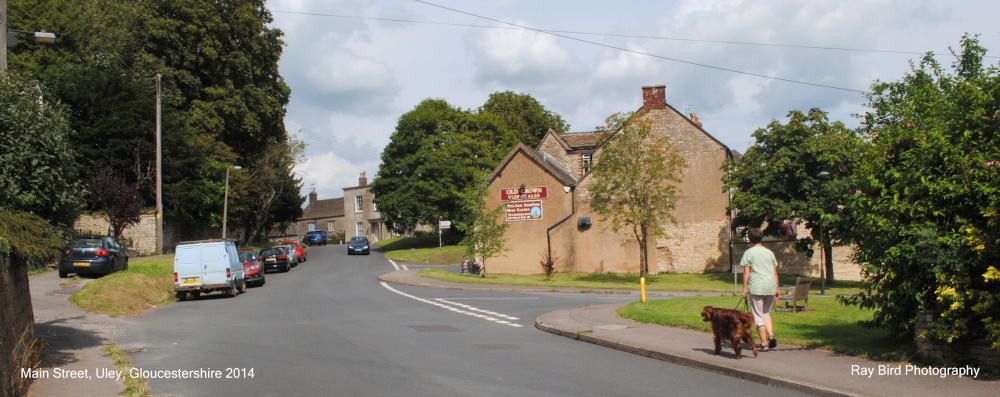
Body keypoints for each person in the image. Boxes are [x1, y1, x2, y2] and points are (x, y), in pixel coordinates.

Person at [741, 228, 781, 351]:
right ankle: (771, 335)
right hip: (770, 286)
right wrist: (777, 288)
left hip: (757, 287)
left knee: (758, 316)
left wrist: (744, 288)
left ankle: (764, 344)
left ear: (750, 238)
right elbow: (775, 272)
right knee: (766, 313)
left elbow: (746, 271)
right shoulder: (769, 253)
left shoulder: (749, 252)